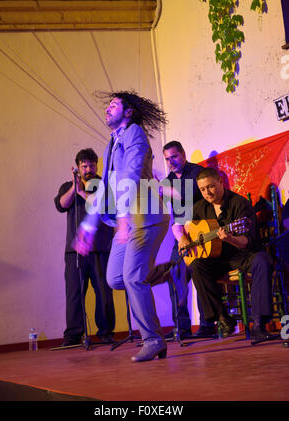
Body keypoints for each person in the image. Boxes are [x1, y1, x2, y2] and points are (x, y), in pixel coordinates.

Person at [73, 90, 170, 362]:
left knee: (132, 277)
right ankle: (164, 273)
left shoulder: (135, 133)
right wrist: (88, 228)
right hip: (125, 222)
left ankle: (152, 340)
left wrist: (125, 218)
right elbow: (104, 189)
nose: (108, 109)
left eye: (114, 105)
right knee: (115, 278)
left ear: (127, 112)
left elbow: (132, 174)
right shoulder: (112, 143)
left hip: (145, 217)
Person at [179, 167, 273, 342]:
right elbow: (184, 226)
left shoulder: (239, 204)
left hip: (241, 253)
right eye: (202, 189)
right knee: (197, 266)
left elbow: (246, 240)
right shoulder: (200, 207)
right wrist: (182, 238)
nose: (207, 192)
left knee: (262, 261)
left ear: (220, 182)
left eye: (211, 187)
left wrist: (230, 238)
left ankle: (259, 325)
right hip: (217, 258)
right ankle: (223, 318)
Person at [54, 148, 115, 346]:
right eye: (84, 166)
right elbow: (62, 205)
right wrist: (74, 187)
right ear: (78, 167)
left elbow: (102, 206)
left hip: (100, 249)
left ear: (97, 165)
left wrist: (82, 192)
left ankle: (105, 332)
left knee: (103, 293)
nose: (89, 169)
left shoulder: (104, 185)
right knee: (74, 293)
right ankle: (73, 335)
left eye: (92, 165)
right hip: (75, 252)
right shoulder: (68, 185)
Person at [162, 141, 215, 339]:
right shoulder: (167, 181)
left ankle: (207, 325)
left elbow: (194, 195)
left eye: (174, 157)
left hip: (201, 232)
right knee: (175, 274)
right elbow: (173, 211)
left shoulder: (197, 173)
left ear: (183, 154)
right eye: (167, 159)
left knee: (201, 272)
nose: (171, 162)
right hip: (181, 235)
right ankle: (181, 328)